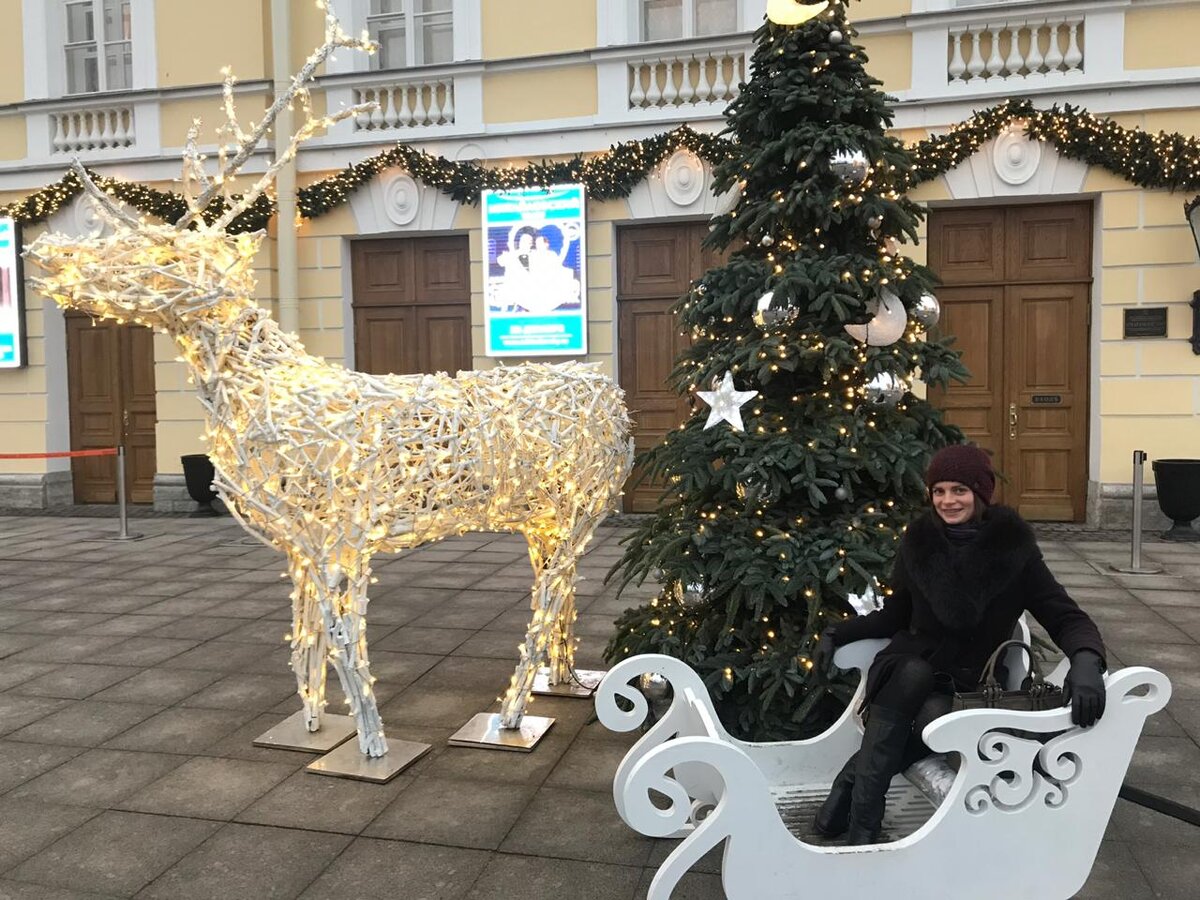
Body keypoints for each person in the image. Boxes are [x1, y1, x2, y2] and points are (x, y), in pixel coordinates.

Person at [810, 444, 1107, 845]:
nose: (948, 501)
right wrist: (838, 632)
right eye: (939, 491)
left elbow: (1064, 615)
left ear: (981, 493)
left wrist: (1087, 661)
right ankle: (865, 824)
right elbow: (894, 615)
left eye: (959, 490)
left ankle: (846, 788)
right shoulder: (920, 542)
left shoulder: (1015, 552)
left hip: (971, 682)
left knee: (933, 714)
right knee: (914, 674)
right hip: (908, 666)